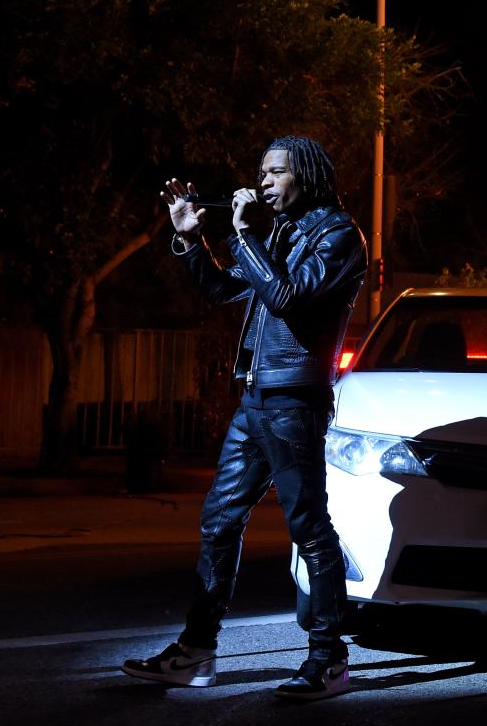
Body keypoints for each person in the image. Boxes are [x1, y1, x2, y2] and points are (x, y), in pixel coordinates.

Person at [122, 136, 366, 700]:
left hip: (294, 400)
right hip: (254, 400)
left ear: (307, 175)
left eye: (276, 172)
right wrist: (190, 237)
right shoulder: (276, 230)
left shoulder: (336, 235)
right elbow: (228, 287)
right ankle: (196, 652)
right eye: (261, 171)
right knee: (218, 520)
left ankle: (329, 659)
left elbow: (286, 296)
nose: (263, 182)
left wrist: (245, 232)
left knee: (308, 526)